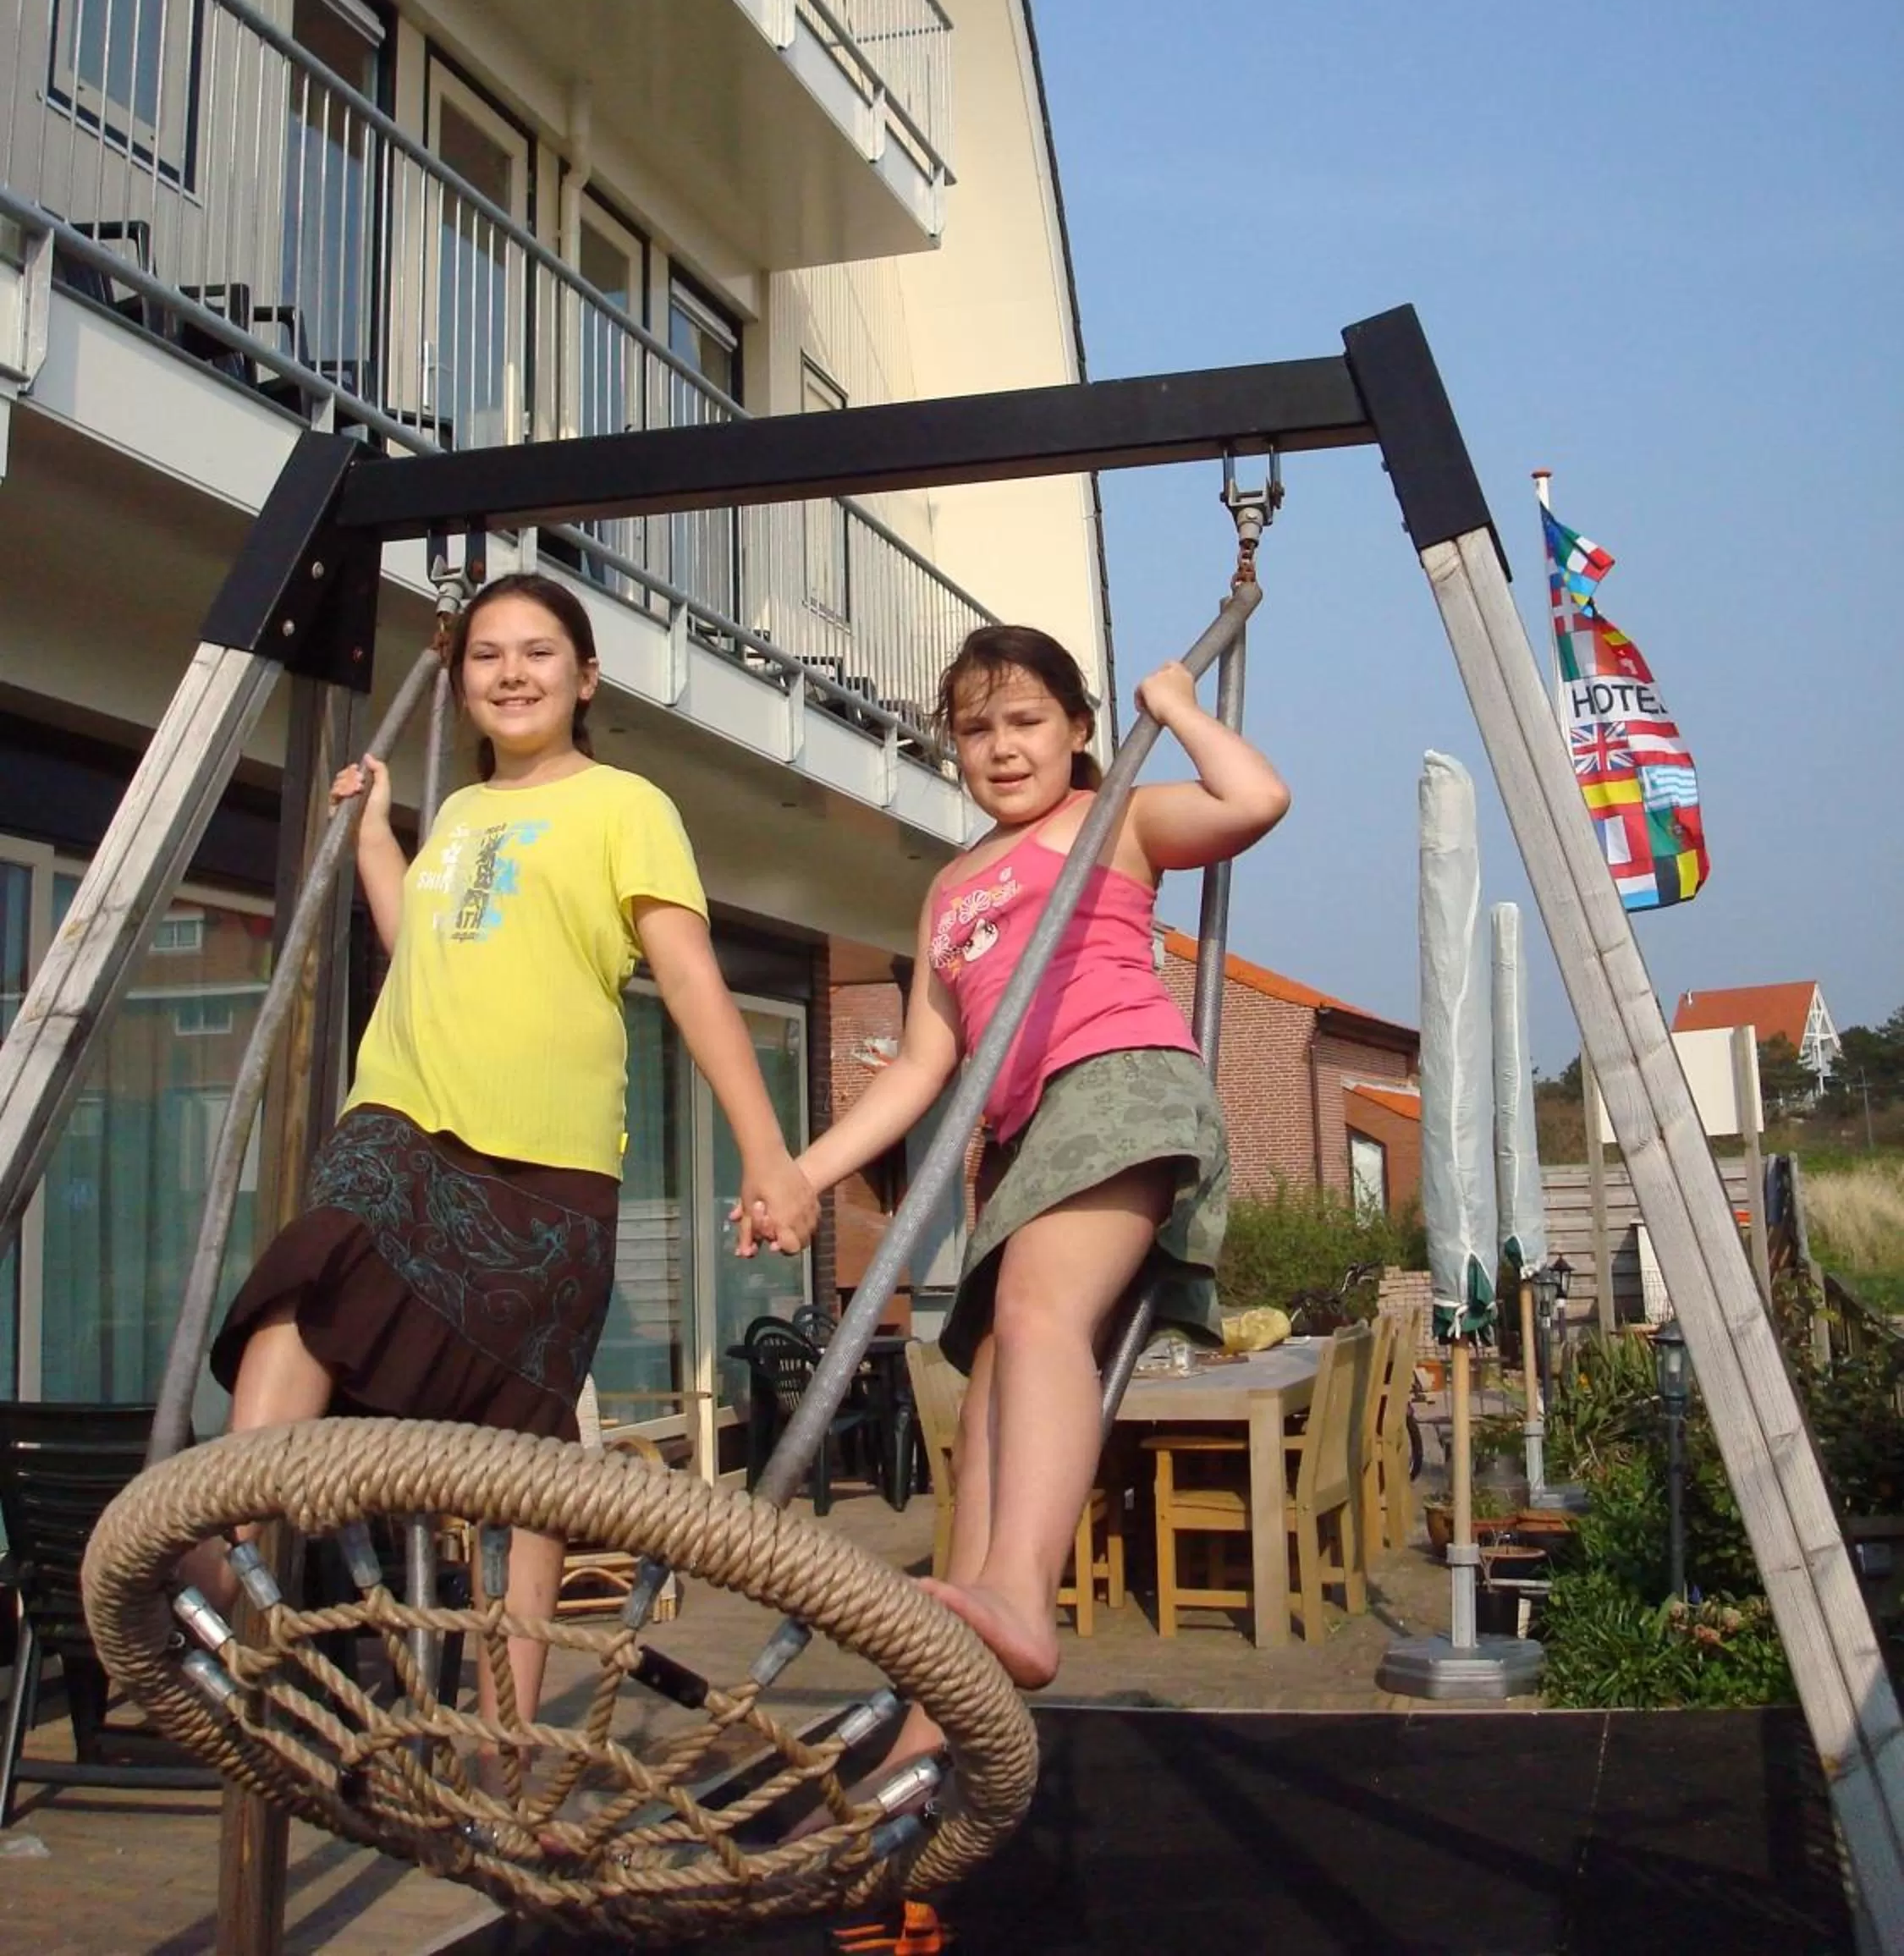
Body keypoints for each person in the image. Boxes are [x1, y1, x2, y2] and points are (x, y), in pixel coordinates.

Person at [199, 572, 818, 1733]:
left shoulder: (625, 804)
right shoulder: (461, 819)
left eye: (539, 652)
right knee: (311, 1266)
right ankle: (236, 1549)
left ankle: (505, 1748)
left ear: (585, 678)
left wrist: (767, 1152)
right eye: (487, 655)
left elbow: (687, 978)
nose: (512, 673)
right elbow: (421, 949)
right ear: (461, 679)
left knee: (517, 1458)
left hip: (545, 1165)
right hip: (402, 1118)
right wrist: (382, 838)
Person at [795, 621, 1288, 1742]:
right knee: (989, 1410)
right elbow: (923, 1064)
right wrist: (805, 1173)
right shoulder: (948, 891)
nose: (1002, 748)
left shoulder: (1113, 817)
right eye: (976, 729)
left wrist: (1176, 711)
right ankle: (939, 1715)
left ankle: (1021, 1595)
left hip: (1118, 1088)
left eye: (1026, 722)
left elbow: (1254, 799)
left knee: (1034, 1319)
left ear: (1077, 731)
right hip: (1020, 1142)